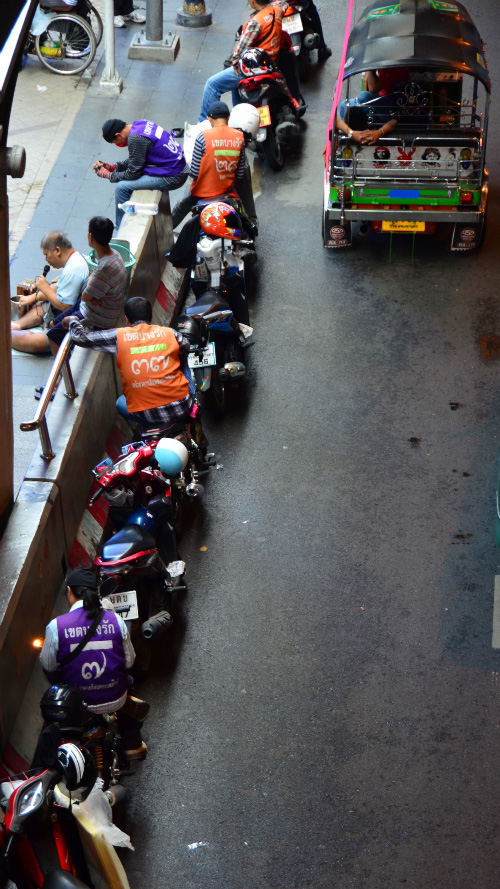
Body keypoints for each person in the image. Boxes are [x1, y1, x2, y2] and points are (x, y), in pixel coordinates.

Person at [39, 567, 148, 759]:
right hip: (117, 699)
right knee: (129, 680)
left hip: (78, 706)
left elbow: (48, 667)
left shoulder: (56, 626)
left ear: (69, 592)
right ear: (96, 593)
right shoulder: (115, 620)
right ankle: (133, 745)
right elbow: (130, 661)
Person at [63, 296, 193, 432]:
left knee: (120, 403)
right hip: (182, 406)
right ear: (152, 316)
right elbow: (186, 346)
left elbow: (80, 337)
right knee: (181, 355)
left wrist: (73, 320)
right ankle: (192, 396)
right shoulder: (169, 333)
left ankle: (146, 428)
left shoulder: (118, 336)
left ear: (126, 319)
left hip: (148, 415)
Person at [46, 216, 127, 358]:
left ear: (91, 237)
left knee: (52, 335)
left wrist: (90, 293)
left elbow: (85, 295)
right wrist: (91, 293)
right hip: (88, 306)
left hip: (95, 317)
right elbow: (89, 292)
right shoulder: (116, 256)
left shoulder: (104, 268)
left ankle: (63, 375)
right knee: (53, 323)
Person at [198, 0, 289, 122]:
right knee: (235, 85)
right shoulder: (277, 10)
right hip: (270, 64)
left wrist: (234, 61)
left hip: (253, 69)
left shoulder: (256, 22)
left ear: (252, 1)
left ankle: (204, 123)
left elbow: (240, 50)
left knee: (212, 85)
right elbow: (284, 4)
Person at [171, 101, 252, 230]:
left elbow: (194, 173)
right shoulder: (240, 137)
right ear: (228, 117)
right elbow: (240, 173)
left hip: (202, 192)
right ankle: (252, 222)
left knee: (181, 207)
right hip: (227, 191)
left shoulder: (202, 137)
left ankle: (165, 233)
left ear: (209, 118)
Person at [95, 119, 189, 227]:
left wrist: (108, 175)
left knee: (121, 187)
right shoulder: (141, 124)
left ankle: (121, 228)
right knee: (124, 182)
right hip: (178, 166)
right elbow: (137, 158)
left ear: (118, 135)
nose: (117, 144)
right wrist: (113, 167)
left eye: (115, 142)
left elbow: (133, 173)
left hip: (174, 176)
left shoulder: (135, 139)